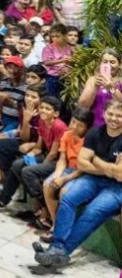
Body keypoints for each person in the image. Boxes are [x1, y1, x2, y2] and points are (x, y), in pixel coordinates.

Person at [34, 99, 122, 268]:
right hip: (92, 179)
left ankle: (62, 251)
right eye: (110, 114)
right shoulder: (95, 133)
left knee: (93, 211)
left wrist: (95, 159)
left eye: (119, 115)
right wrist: (110, 168)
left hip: (117, 187)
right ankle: (56, 246)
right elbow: (82, 163)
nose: (114, 118)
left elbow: (119, 175)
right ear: (104, 114)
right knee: (68, 198)